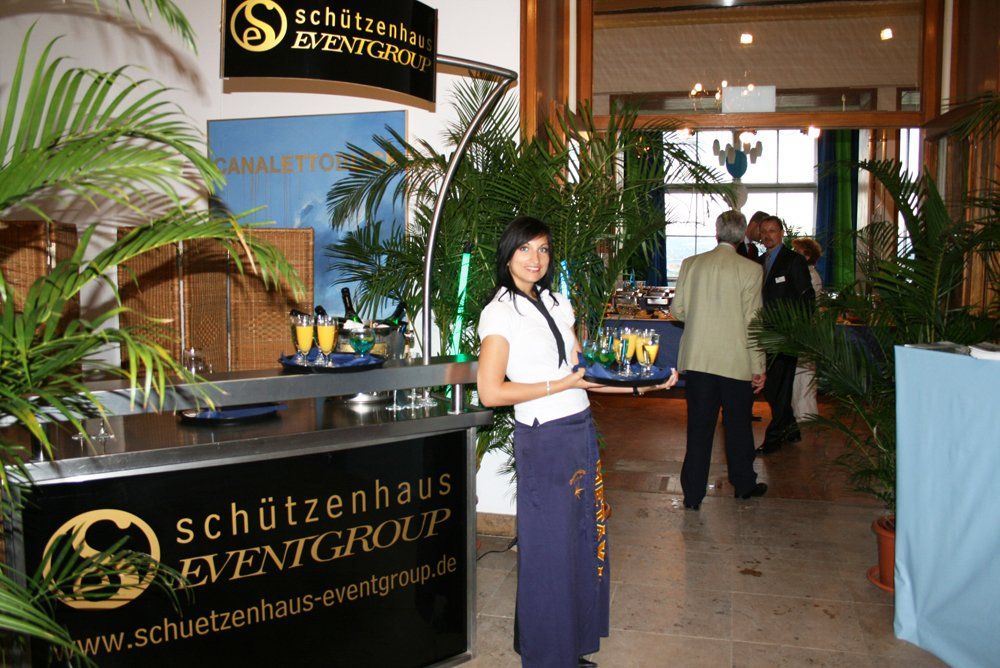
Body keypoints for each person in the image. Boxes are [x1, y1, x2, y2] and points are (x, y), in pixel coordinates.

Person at [477, 216, 677, 668]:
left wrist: (643, 385)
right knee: (549, 550)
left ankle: (569, 645)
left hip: (579, 431)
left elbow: (583, 378)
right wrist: (557, 384)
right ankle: (548, 657)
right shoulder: (500, 312)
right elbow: (491, 391)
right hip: (544, 439)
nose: (535, 259)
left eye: (543, 249)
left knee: (583, 539)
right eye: (525, 249)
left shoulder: (554, 301)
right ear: (508, 254)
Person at [670, 210, 768, 510]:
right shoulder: (751, 270)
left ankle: (692, 494)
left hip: (699, 359)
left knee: (699, 428)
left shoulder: (691, 264)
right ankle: (743, 484)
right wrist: (759, 365)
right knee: (738, 427)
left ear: (717, 232)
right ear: (742, 236)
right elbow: (753, 321)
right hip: (735, 361)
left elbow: (677, 311)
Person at [756, 217, 816, 453]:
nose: (767, 235)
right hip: (764, 334)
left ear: (781, 233)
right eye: (764, 231)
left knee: (779, 388)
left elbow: (807, 298)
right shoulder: (759, 262)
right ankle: (791, 429)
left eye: (772, 230)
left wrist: (798, 331)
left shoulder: (793, 260)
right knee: (773, 387)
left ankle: (774, 439)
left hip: (786, 335)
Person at [790, 237, 824, 421]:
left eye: (798, 251)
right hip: (806, 326)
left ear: (808, 255)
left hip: (807, 327)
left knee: (804, 372)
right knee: (801, 372)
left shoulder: (810, 276)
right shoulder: (808, 273)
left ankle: (805, 412)